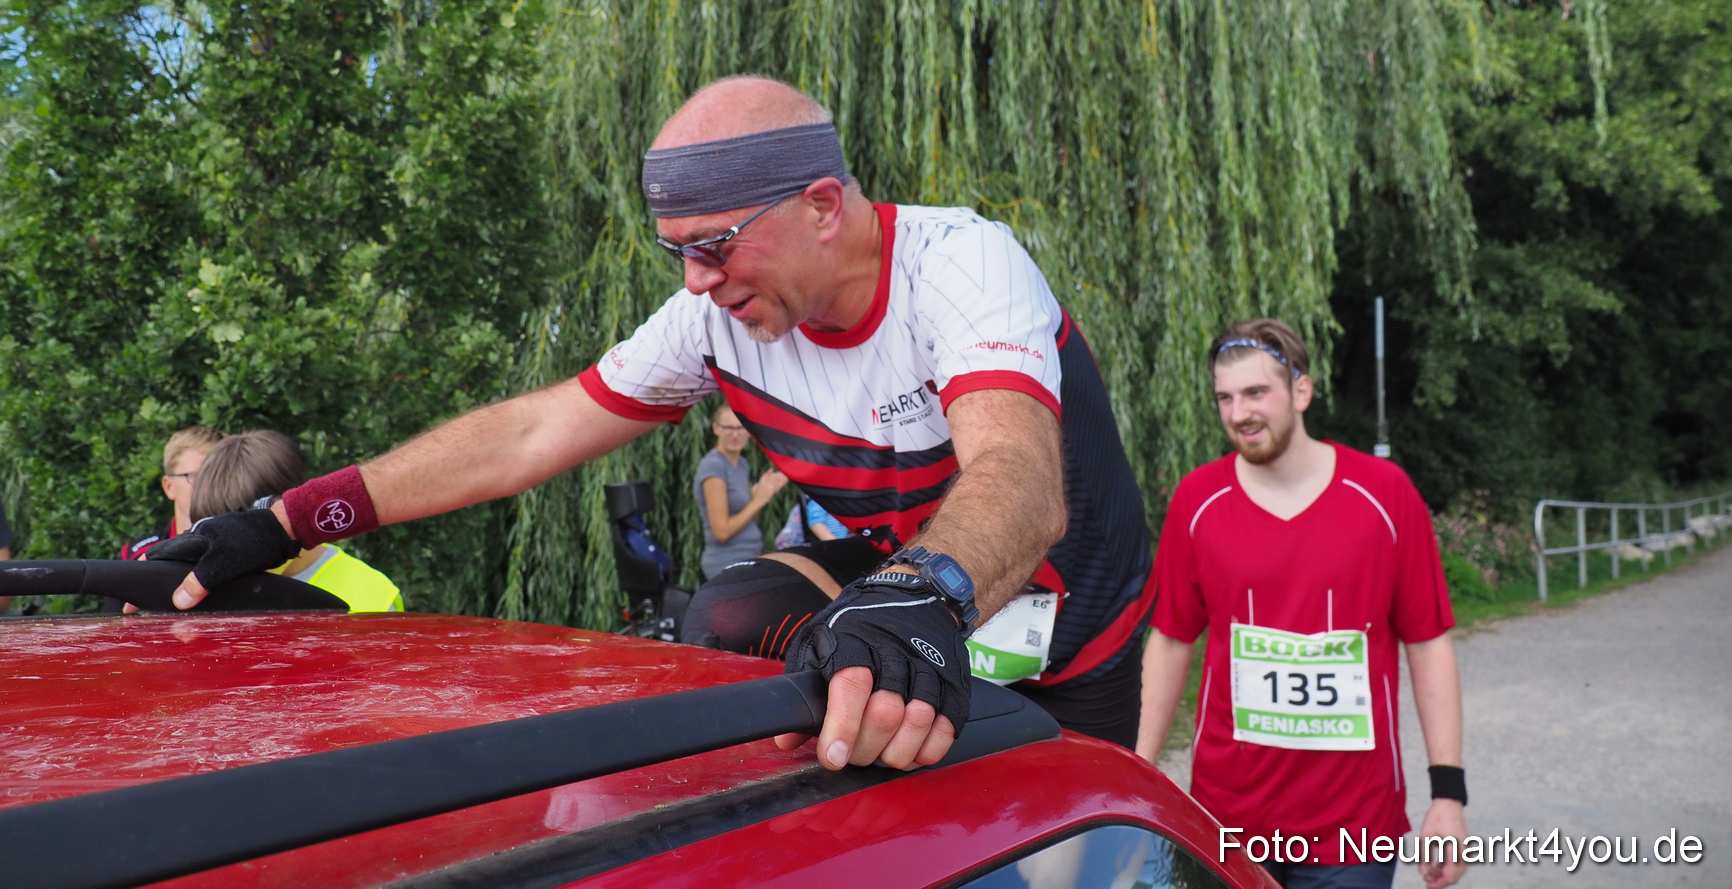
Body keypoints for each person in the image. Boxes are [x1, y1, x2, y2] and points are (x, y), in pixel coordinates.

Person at [151, 76, 1154, 771]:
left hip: (1068, 632)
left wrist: (922, 590)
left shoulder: (962, 264)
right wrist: (287, 520)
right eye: (676, 251)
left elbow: (1020, 482)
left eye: (713, 246)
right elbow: (527, 437)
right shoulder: (713, 321)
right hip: (914, 594)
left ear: (819, 205)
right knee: (721, 621)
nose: (694, 283)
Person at [1136, 319, 1466, 889]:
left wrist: (1449, 796)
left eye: (1256, 392)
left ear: (1301, 391)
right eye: (1225, 397)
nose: (1239, 413)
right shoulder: (1198, 499)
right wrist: (1135, 777)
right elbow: (1169, 640)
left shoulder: (1385, 495)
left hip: (1354, 829)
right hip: (1227, 822)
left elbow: (1428, 641)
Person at [189, 431, 404, 613]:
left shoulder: (373, 596)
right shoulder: (201, 582)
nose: (232, 555)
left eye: (246, 537)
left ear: (294, 510)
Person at [694, 405, 788, 580]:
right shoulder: (714, 466)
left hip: (750, 555)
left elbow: (748, 518)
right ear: (716, 428)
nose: (735, 434)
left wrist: (761, 491)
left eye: (740, 428)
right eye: (728, 428)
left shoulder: (742, 464)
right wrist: (758, 501)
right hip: (726, 562)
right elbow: (721, 532)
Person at [118, 426, 227, 561]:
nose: (207, 486)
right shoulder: (138, 555)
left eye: (217, 477)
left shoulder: (246, 550)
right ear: (169, 487)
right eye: (195, 477)